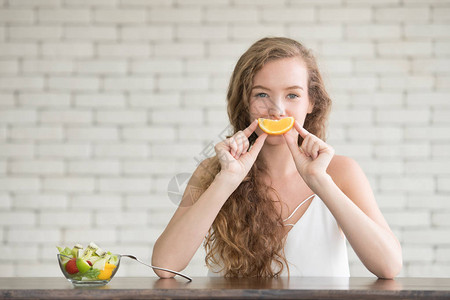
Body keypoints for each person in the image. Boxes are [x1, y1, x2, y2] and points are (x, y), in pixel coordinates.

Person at [151, 37, 402, 279]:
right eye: (261, 95)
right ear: (245, 102)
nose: (276, 110)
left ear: (311, 102)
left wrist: (319, 181)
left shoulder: (341, 172)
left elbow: (388, 266)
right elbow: (165, 265)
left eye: (292, 95)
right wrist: (227, 180)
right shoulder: (212, 171)